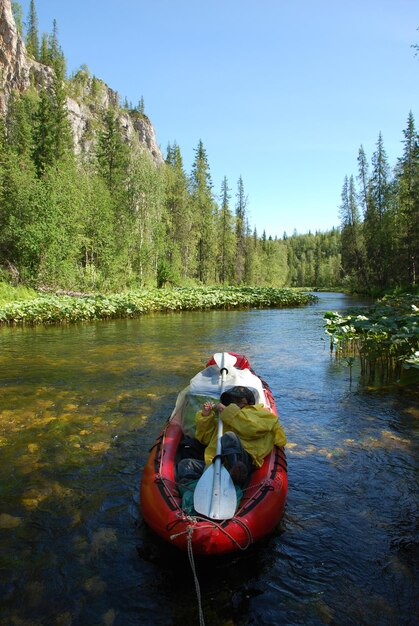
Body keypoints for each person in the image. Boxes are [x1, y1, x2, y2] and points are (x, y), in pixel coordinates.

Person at [177, 386, 286, 488]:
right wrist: (206, 416)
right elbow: (205, 439)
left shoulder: (262, 414)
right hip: (217, 462)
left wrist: (228, 412)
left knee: (229, 437)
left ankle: (235, 473)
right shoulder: (224, 417)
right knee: (185, 464)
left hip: (244, 459)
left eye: (234, 399)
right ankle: (191, 487)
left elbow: (251, 429)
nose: (230, 402)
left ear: (245, 401)